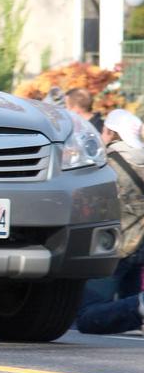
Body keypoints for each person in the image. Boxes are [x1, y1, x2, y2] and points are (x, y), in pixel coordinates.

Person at [75, 108, 144, 335]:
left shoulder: (105, 164)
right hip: (140, 250)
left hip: (113, 248)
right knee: (129, 315)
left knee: (87, 317)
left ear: (109, 132)